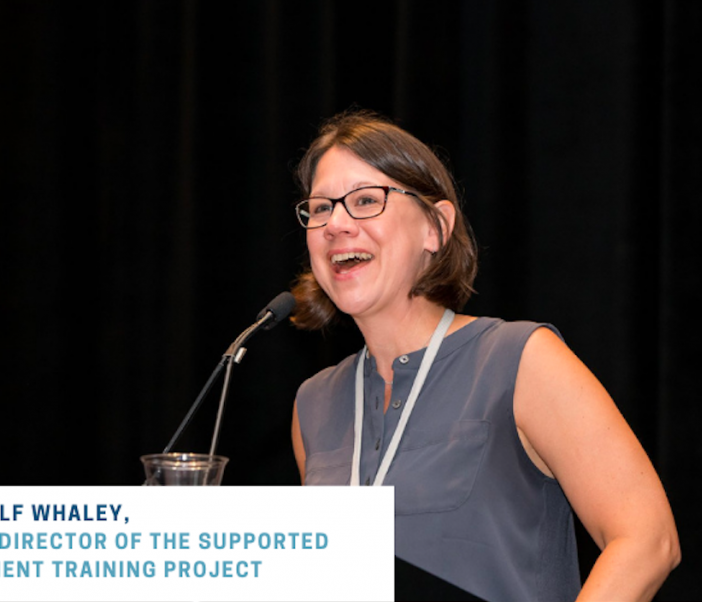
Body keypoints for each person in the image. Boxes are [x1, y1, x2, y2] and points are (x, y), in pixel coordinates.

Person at [289, 110, 680, 602]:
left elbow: (648, 541)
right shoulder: (315, 404)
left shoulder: (519, 360)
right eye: (320, 208)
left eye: (367, 200)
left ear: (436, 227)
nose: (336, 225)